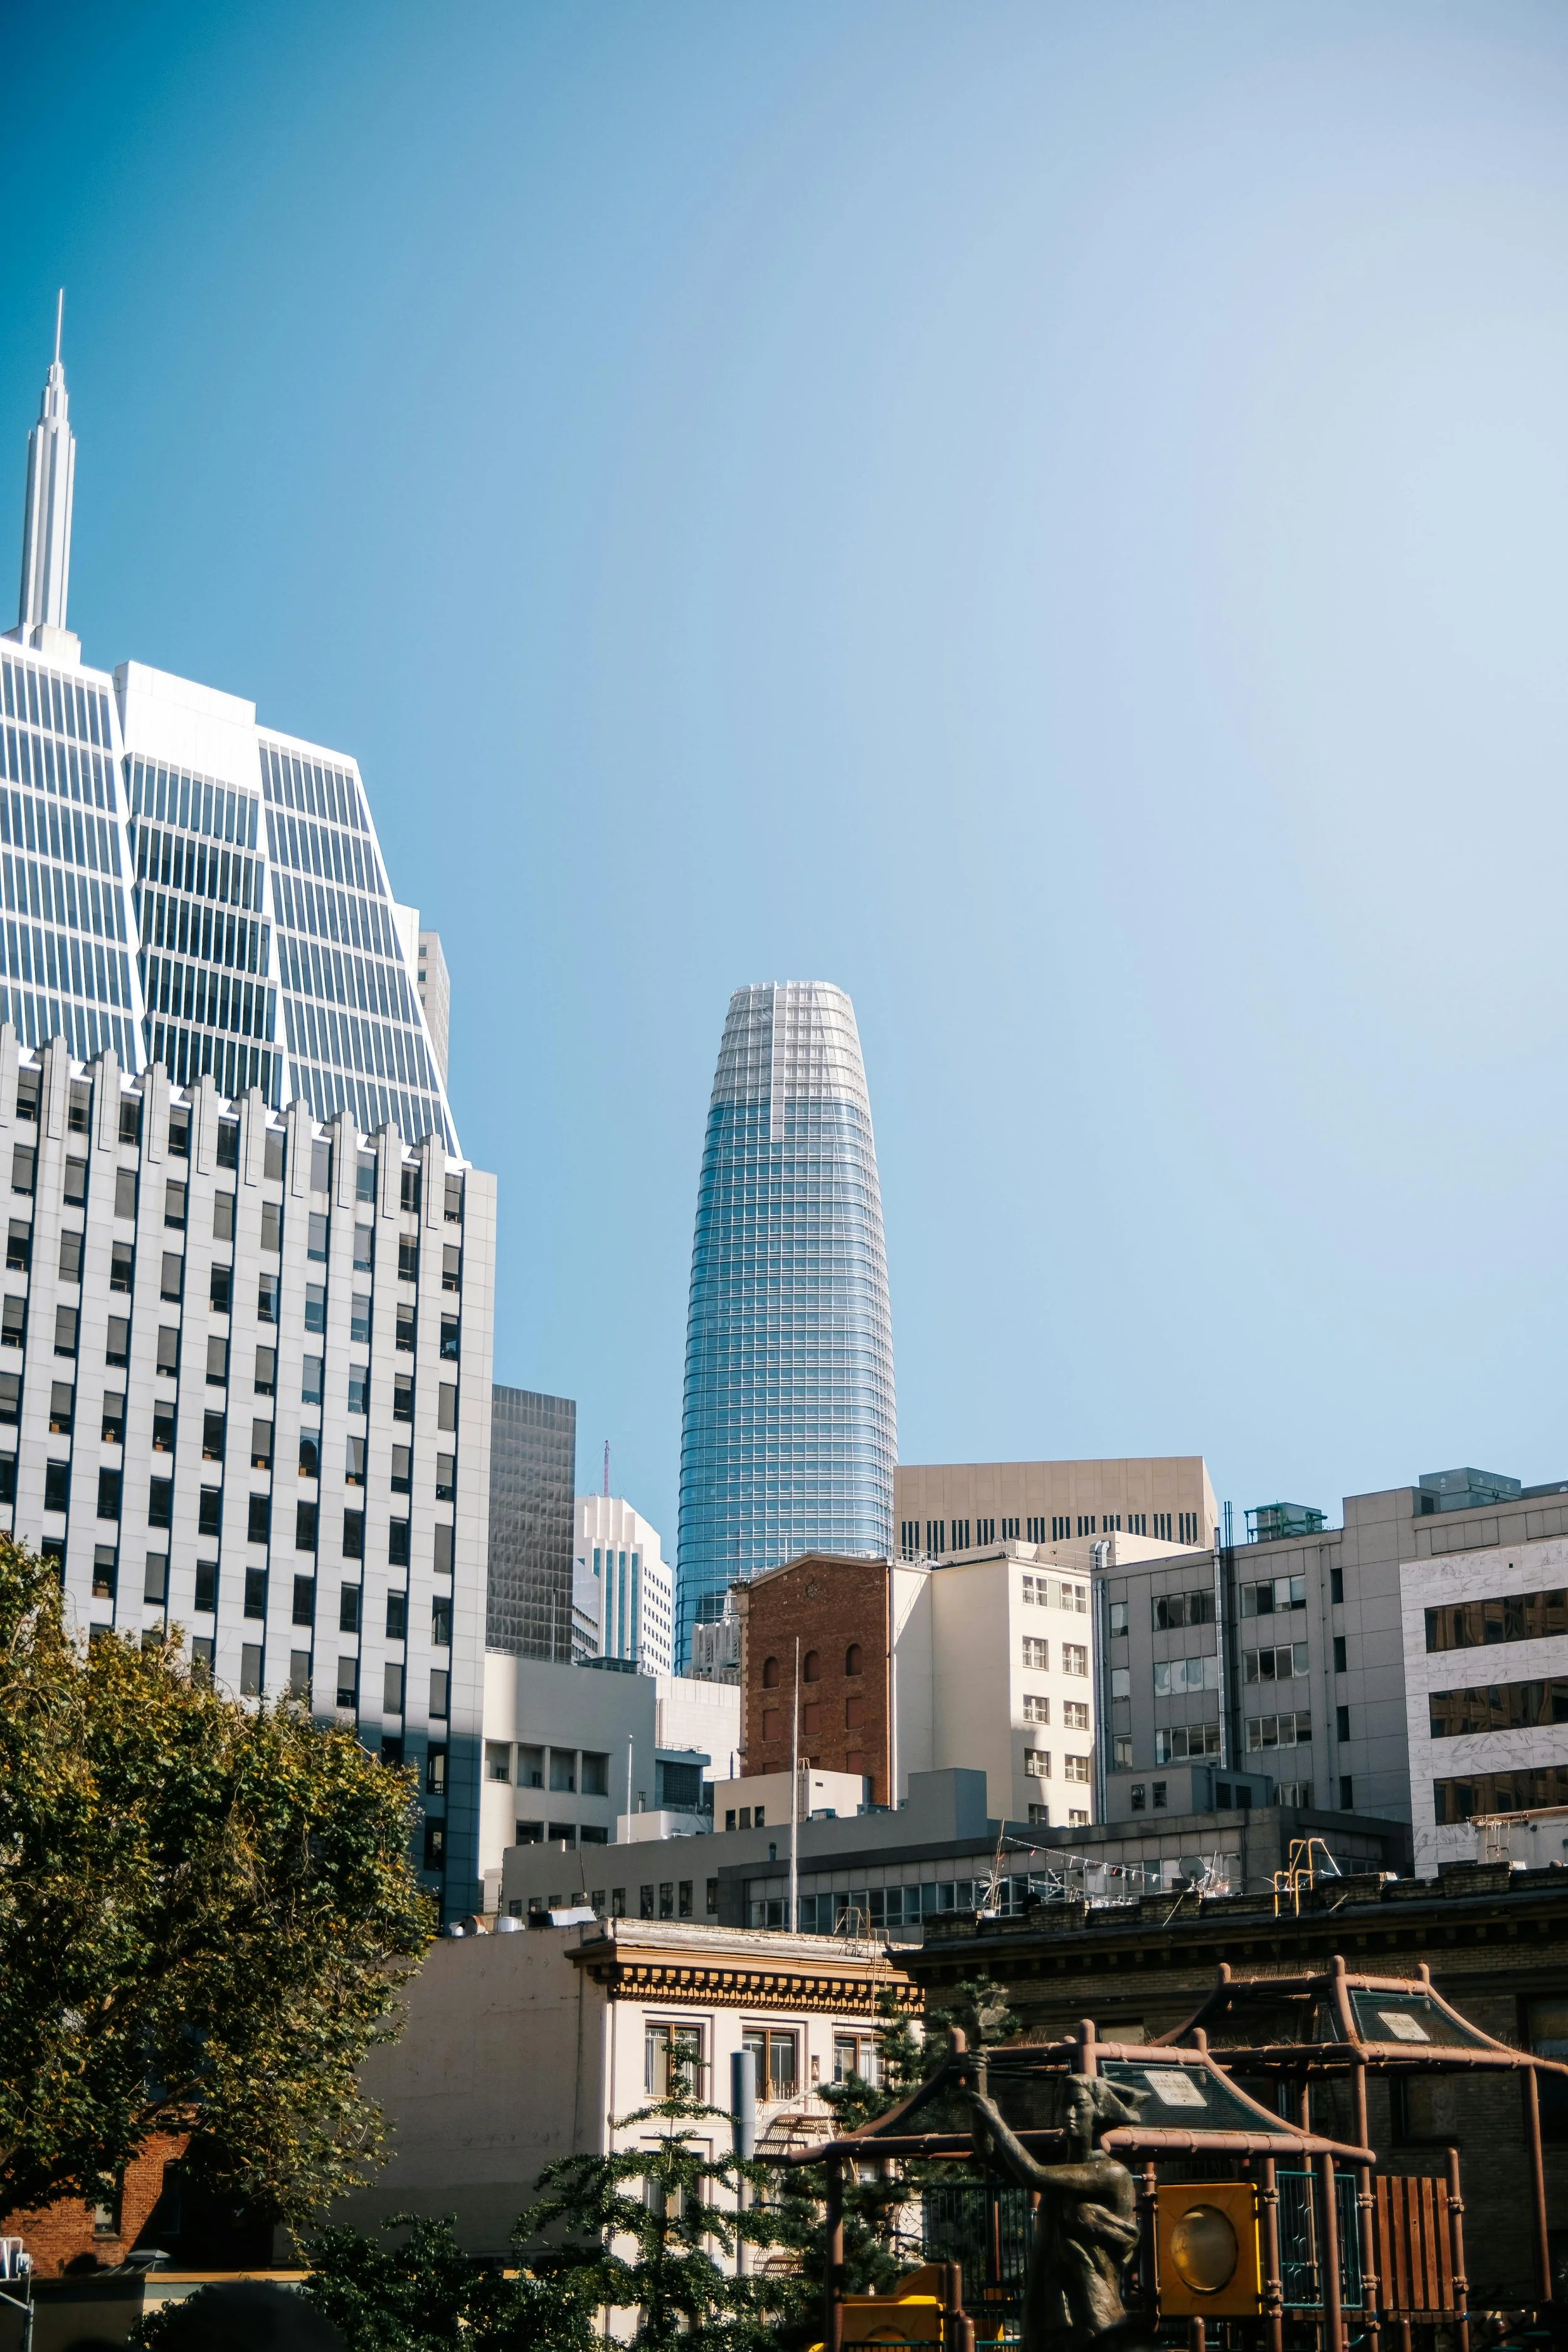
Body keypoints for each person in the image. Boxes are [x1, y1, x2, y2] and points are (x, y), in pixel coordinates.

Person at [967, 2074, 1150, 2352]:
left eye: (1079, 2105)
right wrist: (976, 2088)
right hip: (1051, 2313)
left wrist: (994, 2119)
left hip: (1093, 2317)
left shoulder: (1111, 2173)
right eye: (1064, 2106)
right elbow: (990, 2154)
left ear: (1099, 2111)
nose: (1069, 2114)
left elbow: (1034, 2175)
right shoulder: (1060, 2172)